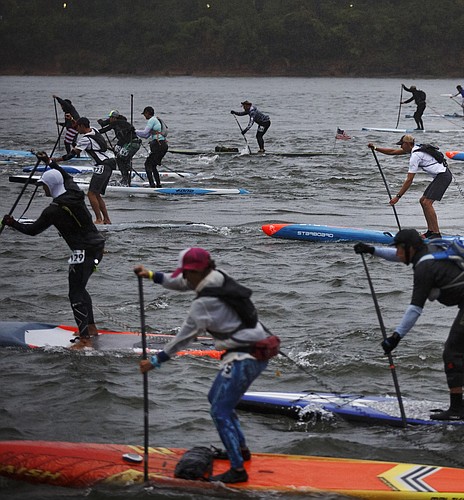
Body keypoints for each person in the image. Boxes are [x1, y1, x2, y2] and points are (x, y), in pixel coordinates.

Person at [135, 248, 276, 483]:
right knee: (216, 400)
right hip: (251, 352)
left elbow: (184, 338)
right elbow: (180, 283)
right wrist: (150, 275)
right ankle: (241, 451)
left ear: (198, 271)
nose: (184, 278)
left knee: (219, 411)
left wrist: (155, 362)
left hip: (246, 358)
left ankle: (238, 471)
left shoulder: (203, 304)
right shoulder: (218, 276)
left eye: (187, 273)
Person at [354, 229, 464, 420]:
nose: (396, 253)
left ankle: (456, 410)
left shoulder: (424, 268)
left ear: (410, 248)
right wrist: (372, 250)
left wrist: (396, 337)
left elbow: (415, 309)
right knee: (456, 350)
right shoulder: (428, 249)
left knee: (451, 353)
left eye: (398, 248)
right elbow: (397, 257)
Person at [2, 155, 105, 349]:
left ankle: (85, 340)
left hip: (83, 252)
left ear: (50, 186)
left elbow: (32, 231)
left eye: (44, 186)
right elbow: (65, 176)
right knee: (80, 288)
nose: (43, 189)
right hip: (98, 247)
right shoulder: (75, 192)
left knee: (75, 293)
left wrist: (11, 223)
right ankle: (90, 327)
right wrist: (50, 162)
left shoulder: (53, 210)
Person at [368, 134, 452, 239]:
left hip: (443, 176)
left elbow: (409, 180)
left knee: (427, 203)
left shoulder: (415, 156)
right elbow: (392, 152)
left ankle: (436, 234)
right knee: (423, 201)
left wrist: (397, 197)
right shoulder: (416, 149)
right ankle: (431, 232)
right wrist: (376, 148)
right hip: (441, 176)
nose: (400, 147)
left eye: (401, 144)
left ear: (407, 144)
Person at [55, 117, 115, 224]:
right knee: (96, 194)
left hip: (101, 166)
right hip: (109, 165)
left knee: (91, 194)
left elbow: (71, 155)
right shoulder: (94, 129)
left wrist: (55, 160)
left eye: (77, 127)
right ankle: (106, 219)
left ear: (82, 126)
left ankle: (99, 219)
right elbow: (81, 125)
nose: (76, 130)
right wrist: (73, 121)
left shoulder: (85, 140)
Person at [98, 110, 141, 186]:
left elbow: (105, 129)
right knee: (122, 159)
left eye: (111, 118)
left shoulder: (117, 123)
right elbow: (106, 123)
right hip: (130, 144)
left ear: (115, 118)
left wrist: (92, 132)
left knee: (120, 159)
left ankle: (125, 179)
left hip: (132, 144)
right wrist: (101, 122)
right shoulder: (119, 121)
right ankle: (127, 177)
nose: (110, 120)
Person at [135, 106, 168, 188]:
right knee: (153, 166)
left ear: (147, 113)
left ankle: (152, 186)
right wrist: (137, 132)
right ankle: (158, 185)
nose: (144, 116)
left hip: (158, 145)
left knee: (147, 165)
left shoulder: (151, 120)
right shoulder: (155, 120)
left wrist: (135, 131)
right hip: (163, 145)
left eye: (144, 114)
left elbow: (145, 132)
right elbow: (146, 136)